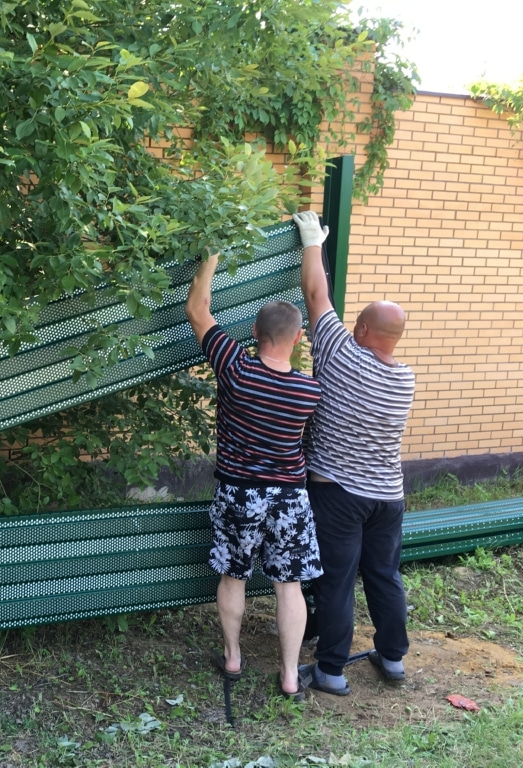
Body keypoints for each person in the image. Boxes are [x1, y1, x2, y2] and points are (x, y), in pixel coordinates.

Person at [185, 251, 323, 702]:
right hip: (290, 498)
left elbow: (197, 310)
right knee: (289, 586)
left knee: (234, 577)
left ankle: (232, 658)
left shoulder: (236, 367)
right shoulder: (308, 390)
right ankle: (289, 675)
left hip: (239, 493)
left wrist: (211, 257)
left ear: (252, 333)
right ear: (298, 338)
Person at [293, 210, 417, 696]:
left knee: (338, 579)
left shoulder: (340, 354)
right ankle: (393, 658)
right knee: (384, 574)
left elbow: (315, 295)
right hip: (388, 496)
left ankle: (331, 670)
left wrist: (311, 242)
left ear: (361, 328)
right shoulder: (405, 379)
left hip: (339, 494)